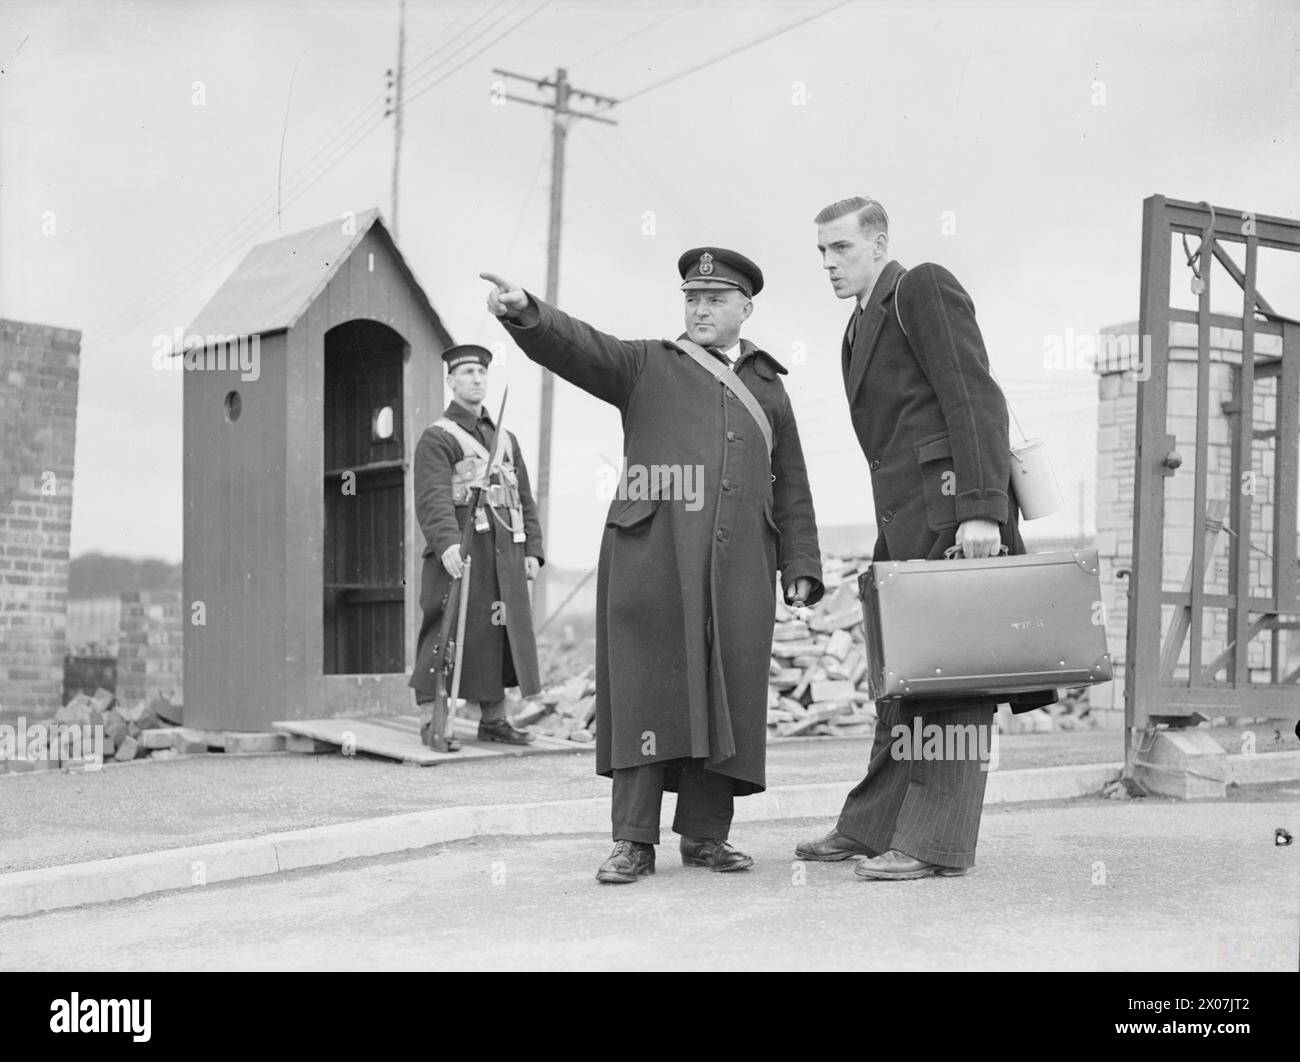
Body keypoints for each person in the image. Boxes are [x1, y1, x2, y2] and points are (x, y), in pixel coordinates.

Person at [481, 248, 823, 884]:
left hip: (740, 566)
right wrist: (528, 313)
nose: (700, 308)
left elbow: (792, 480)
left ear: (745, 308)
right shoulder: (644, 364)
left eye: (716, 299)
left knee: (727, 692)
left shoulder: (770, 386)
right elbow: (579, 347)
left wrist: (799, 559)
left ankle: (704, 836)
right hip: (653, 560)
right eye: (693, 298)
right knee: (645, 691)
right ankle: (632, 842)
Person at [797, 196, 1056, 880]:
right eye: (821, 251)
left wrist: (979, 509)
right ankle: (872, 825)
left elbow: (974, 396)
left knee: (954, 679)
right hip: (905, 526)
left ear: (879, 243)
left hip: (952, 521)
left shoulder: (922, 287)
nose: (828, 262)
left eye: (842, 248)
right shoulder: (856, 328)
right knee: (902, 682)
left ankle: (934, 842)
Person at [409, 343, 544, 750]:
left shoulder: (506, 438)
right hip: (461, 550)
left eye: (481, 373)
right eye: (466, 372)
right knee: (445, 629)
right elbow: (432, 496)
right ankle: (432, 720)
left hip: (504, 549)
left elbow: (523, 495)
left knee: (496, 635)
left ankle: (494, 720)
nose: (476, 379)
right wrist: (448, 543)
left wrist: (534, 549)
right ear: (451, 380)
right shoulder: (437, 436)